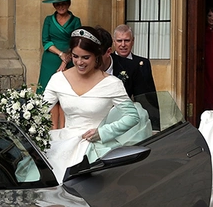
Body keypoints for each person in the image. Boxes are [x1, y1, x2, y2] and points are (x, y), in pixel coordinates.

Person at [42, 26, 151, 182]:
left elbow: (132, 116)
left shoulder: (112, 83)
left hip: (96, 147)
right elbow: (40, 111)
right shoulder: (58, 79)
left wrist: (102, 132)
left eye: (85, 57)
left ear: (96, 55)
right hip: (63, 141)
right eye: (75, 56)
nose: (79, 62)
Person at [37, 0, 82, 129]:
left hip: (70, 59)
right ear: (54, 5)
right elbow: (45, 41)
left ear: (68, 4)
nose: (61, 7)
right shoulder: (48, 20)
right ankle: (52, 129)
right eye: (57, 4)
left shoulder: (76, 20)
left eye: (63, 3)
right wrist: (60, 54)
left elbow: (76, 42)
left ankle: (63, 129)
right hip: (50, 60)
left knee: (64, 94)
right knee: (50, 94)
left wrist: (65, 60)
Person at [113, 24, 161, 130]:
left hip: (137, 119)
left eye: (127, 40)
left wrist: (154, 126)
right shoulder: (109, 62)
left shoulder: (143, 63)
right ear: (114, 42)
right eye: (119, 41)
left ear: (133, 41)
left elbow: (149, 97)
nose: (123, 45)